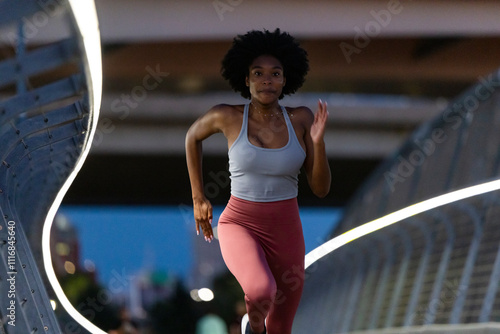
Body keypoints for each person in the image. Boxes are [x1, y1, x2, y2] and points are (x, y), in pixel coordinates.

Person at [185, 28, 331, 334]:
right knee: (261, 290)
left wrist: (317, 142)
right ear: (246, 79)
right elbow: (192, 137)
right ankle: (252, 326)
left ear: (285, 79)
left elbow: (320, 189)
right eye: (258, 73)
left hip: (287, 228)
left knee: (280, 326)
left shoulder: (302, 119)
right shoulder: (226, 116)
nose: (267, 80)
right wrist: (199, 197)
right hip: (240, 222)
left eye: (275, 73)